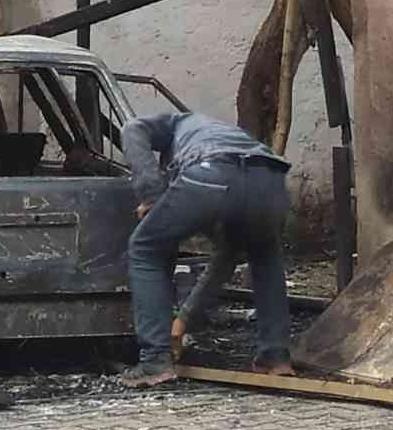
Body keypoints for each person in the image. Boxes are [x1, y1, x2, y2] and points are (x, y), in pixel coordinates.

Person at [118, 112, 294, 387]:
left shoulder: (173, 125)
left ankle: (154, 360)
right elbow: (226, 258)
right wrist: (182, 321)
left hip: (213, 170)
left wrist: (151, 195)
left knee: (146, 246)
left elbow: (132, 128)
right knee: (265, 254)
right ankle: (275, 357)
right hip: (270, 178)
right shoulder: (213, 130)